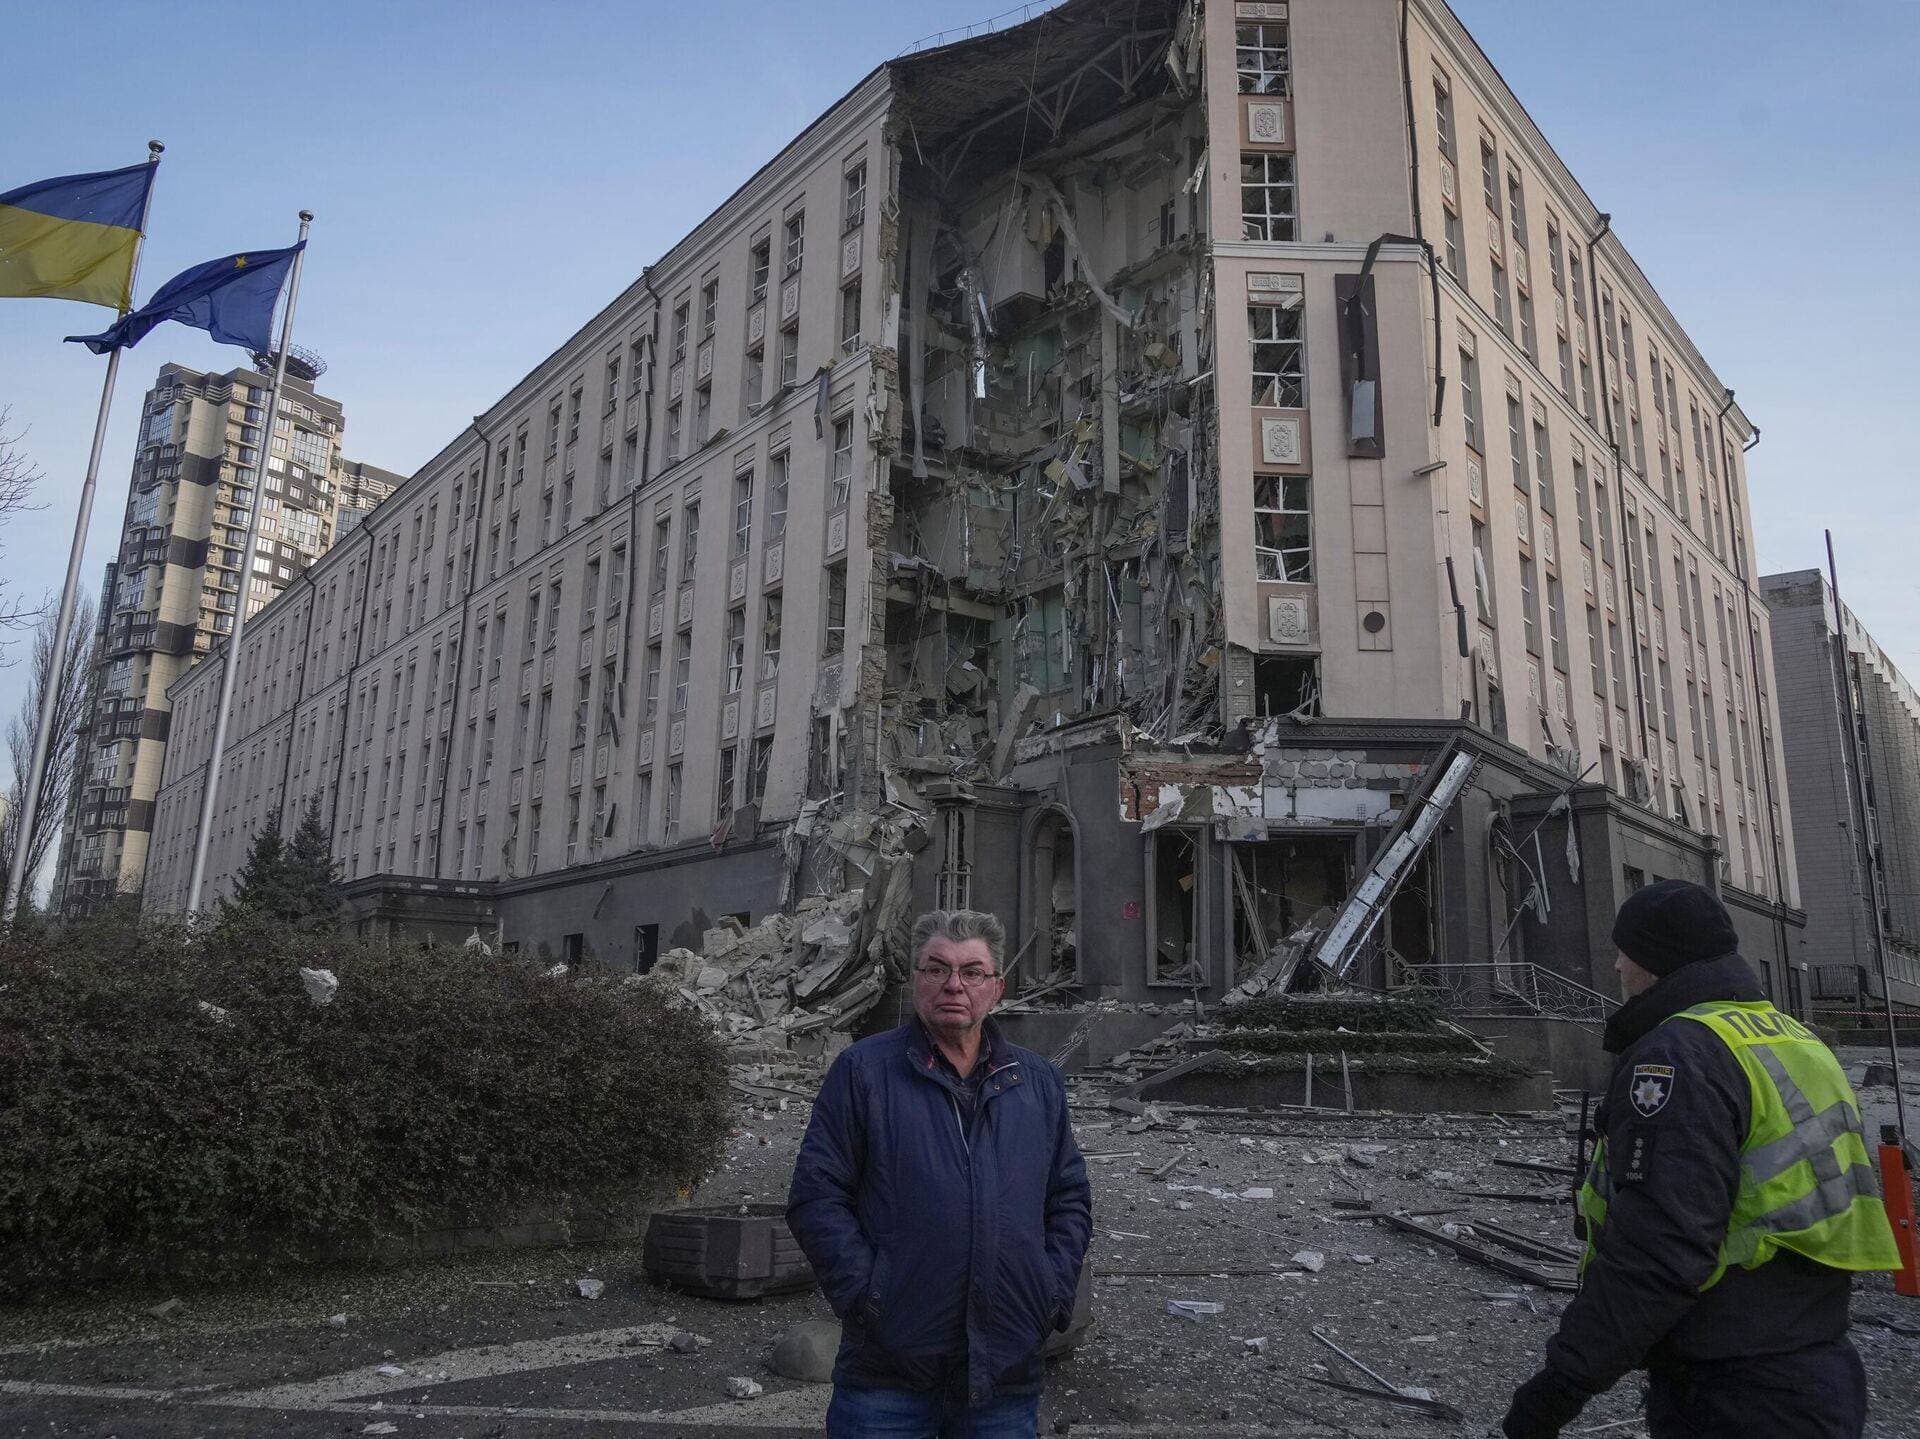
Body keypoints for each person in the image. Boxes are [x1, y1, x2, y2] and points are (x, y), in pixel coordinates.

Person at [1502, 879, 1901, 1439]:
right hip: (1816, 1358)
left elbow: (1663, 1247)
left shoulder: (1678, 1055)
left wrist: (1560, 1386)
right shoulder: (1792, 1037)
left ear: (1658, 960)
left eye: (1627, 951)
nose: (1617, 965)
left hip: (1733, 1387)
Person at [787, 908, 1091, 1439]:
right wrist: (868, 1297)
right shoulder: (863, 1073)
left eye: (972, 972)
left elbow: (1067, 1197)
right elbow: (817, 1196)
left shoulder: (1036, 1082)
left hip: (1004, 1376)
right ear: (915, 981)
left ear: (996, 987)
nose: (954, 984)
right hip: (887, 1376)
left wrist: (1051, 1291)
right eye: (937, 969)